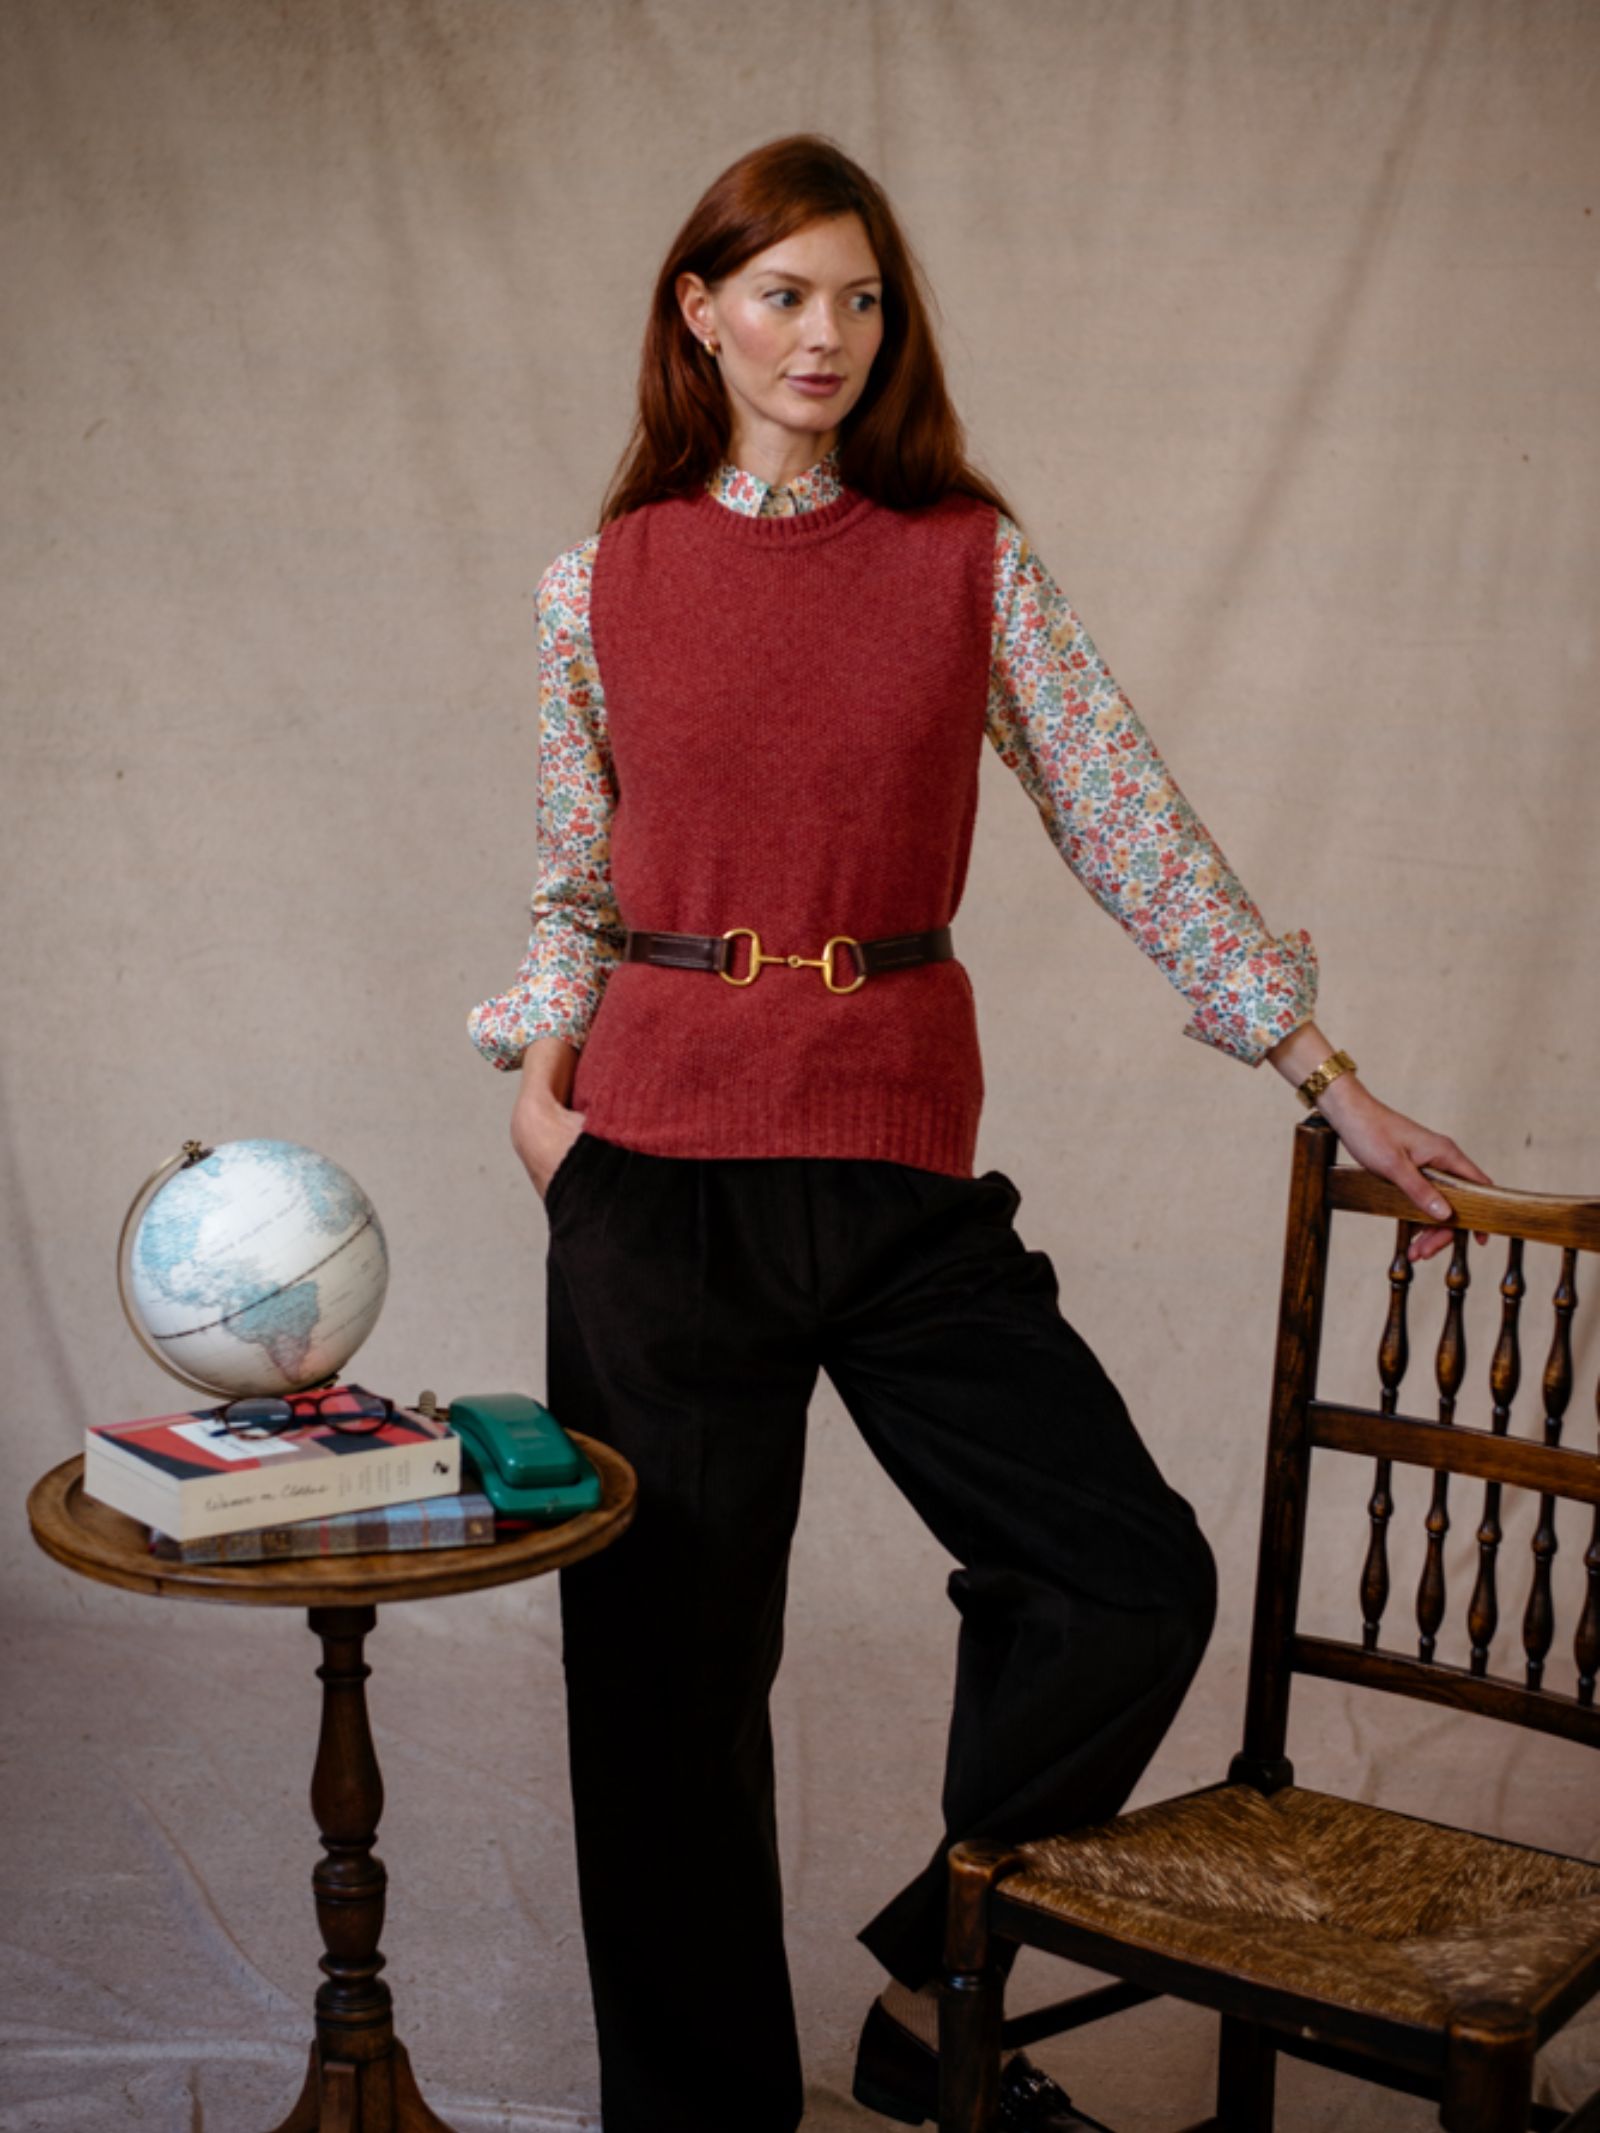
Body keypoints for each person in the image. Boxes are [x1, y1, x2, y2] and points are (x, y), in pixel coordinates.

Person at [468, 133, 1489, 2133]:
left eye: (858, 297)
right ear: (697, 311)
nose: (823, 334)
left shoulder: (964, 557)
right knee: (665, 1706)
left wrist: (1319, 1067)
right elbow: (566, 879)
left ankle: (937, 1978)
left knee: (1122, 1572)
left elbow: (1125, 822)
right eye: (779, 294)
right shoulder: (601, 578)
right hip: (651, 1180)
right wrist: (542, 1092)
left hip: (897, 1167)